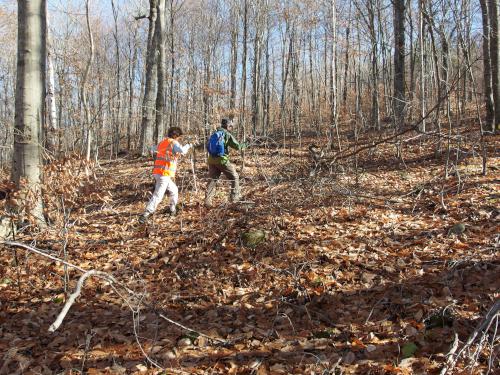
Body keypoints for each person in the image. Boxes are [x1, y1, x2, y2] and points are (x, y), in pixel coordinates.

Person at [139, 127, 192, 223]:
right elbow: (182, 151)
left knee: (174, 190)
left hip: (158, 172)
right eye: (179, 137)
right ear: (175, 135)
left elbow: (152, 149)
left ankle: (173, 210)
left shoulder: (162, 142)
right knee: (158, 195)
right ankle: (145, 214)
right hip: (164, 173)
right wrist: (189, 145)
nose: (179, 139)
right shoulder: (173, 143)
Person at [205, 118, 246, 207]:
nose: (231, 128)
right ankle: (235, 198)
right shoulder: (227, 134)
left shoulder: (214, 133)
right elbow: (237, 146)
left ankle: (207, 201)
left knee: (213, 179)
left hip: (211, 160)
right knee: (234, 177)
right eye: (230, 126)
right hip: (221, 160)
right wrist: (245, 144)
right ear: (227, 126)